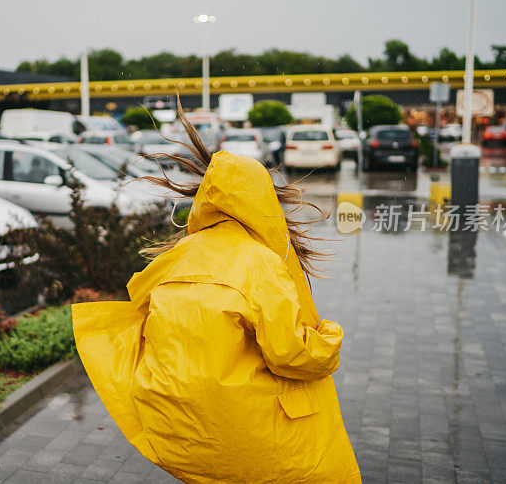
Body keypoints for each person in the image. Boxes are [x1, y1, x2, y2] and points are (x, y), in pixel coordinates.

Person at [73, 108, 361, 483]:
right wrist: (330, 339)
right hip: (249, 435)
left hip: (187, 436)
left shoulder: (177, 256)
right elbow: (290, 353)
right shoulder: (261, 264)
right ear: (262, 201)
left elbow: (142, 306)